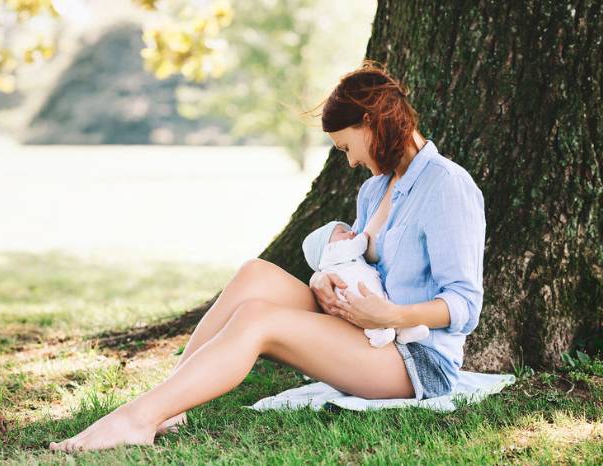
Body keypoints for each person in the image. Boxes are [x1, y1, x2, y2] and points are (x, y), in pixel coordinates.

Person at [48, 59, 486, 452]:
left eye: (346, 147)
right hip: (369, 328)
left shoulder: (447, 185)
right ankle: (169, 406)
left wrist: (387, 315)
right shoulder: (376, 188)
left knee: (259, 318)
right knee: (254, 275)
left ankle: (137, 419)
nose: (349, 162)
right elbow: (355, 264)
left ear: (371, 123)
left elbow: (465, 305)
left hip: (417, 361)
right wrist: (322, 281)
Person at [301, 220, 429, 348]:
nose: (352, 232)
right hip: (355, 292)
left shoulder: (345, 258)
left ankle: (401, 330)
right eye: (342, 232)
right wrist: (365, 235)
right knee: (368, 310)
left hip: (369, 289)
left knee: (384, 304)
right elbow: (357, 246)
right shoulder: (331, 251)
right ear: (324, 244)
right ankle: (378, 332)